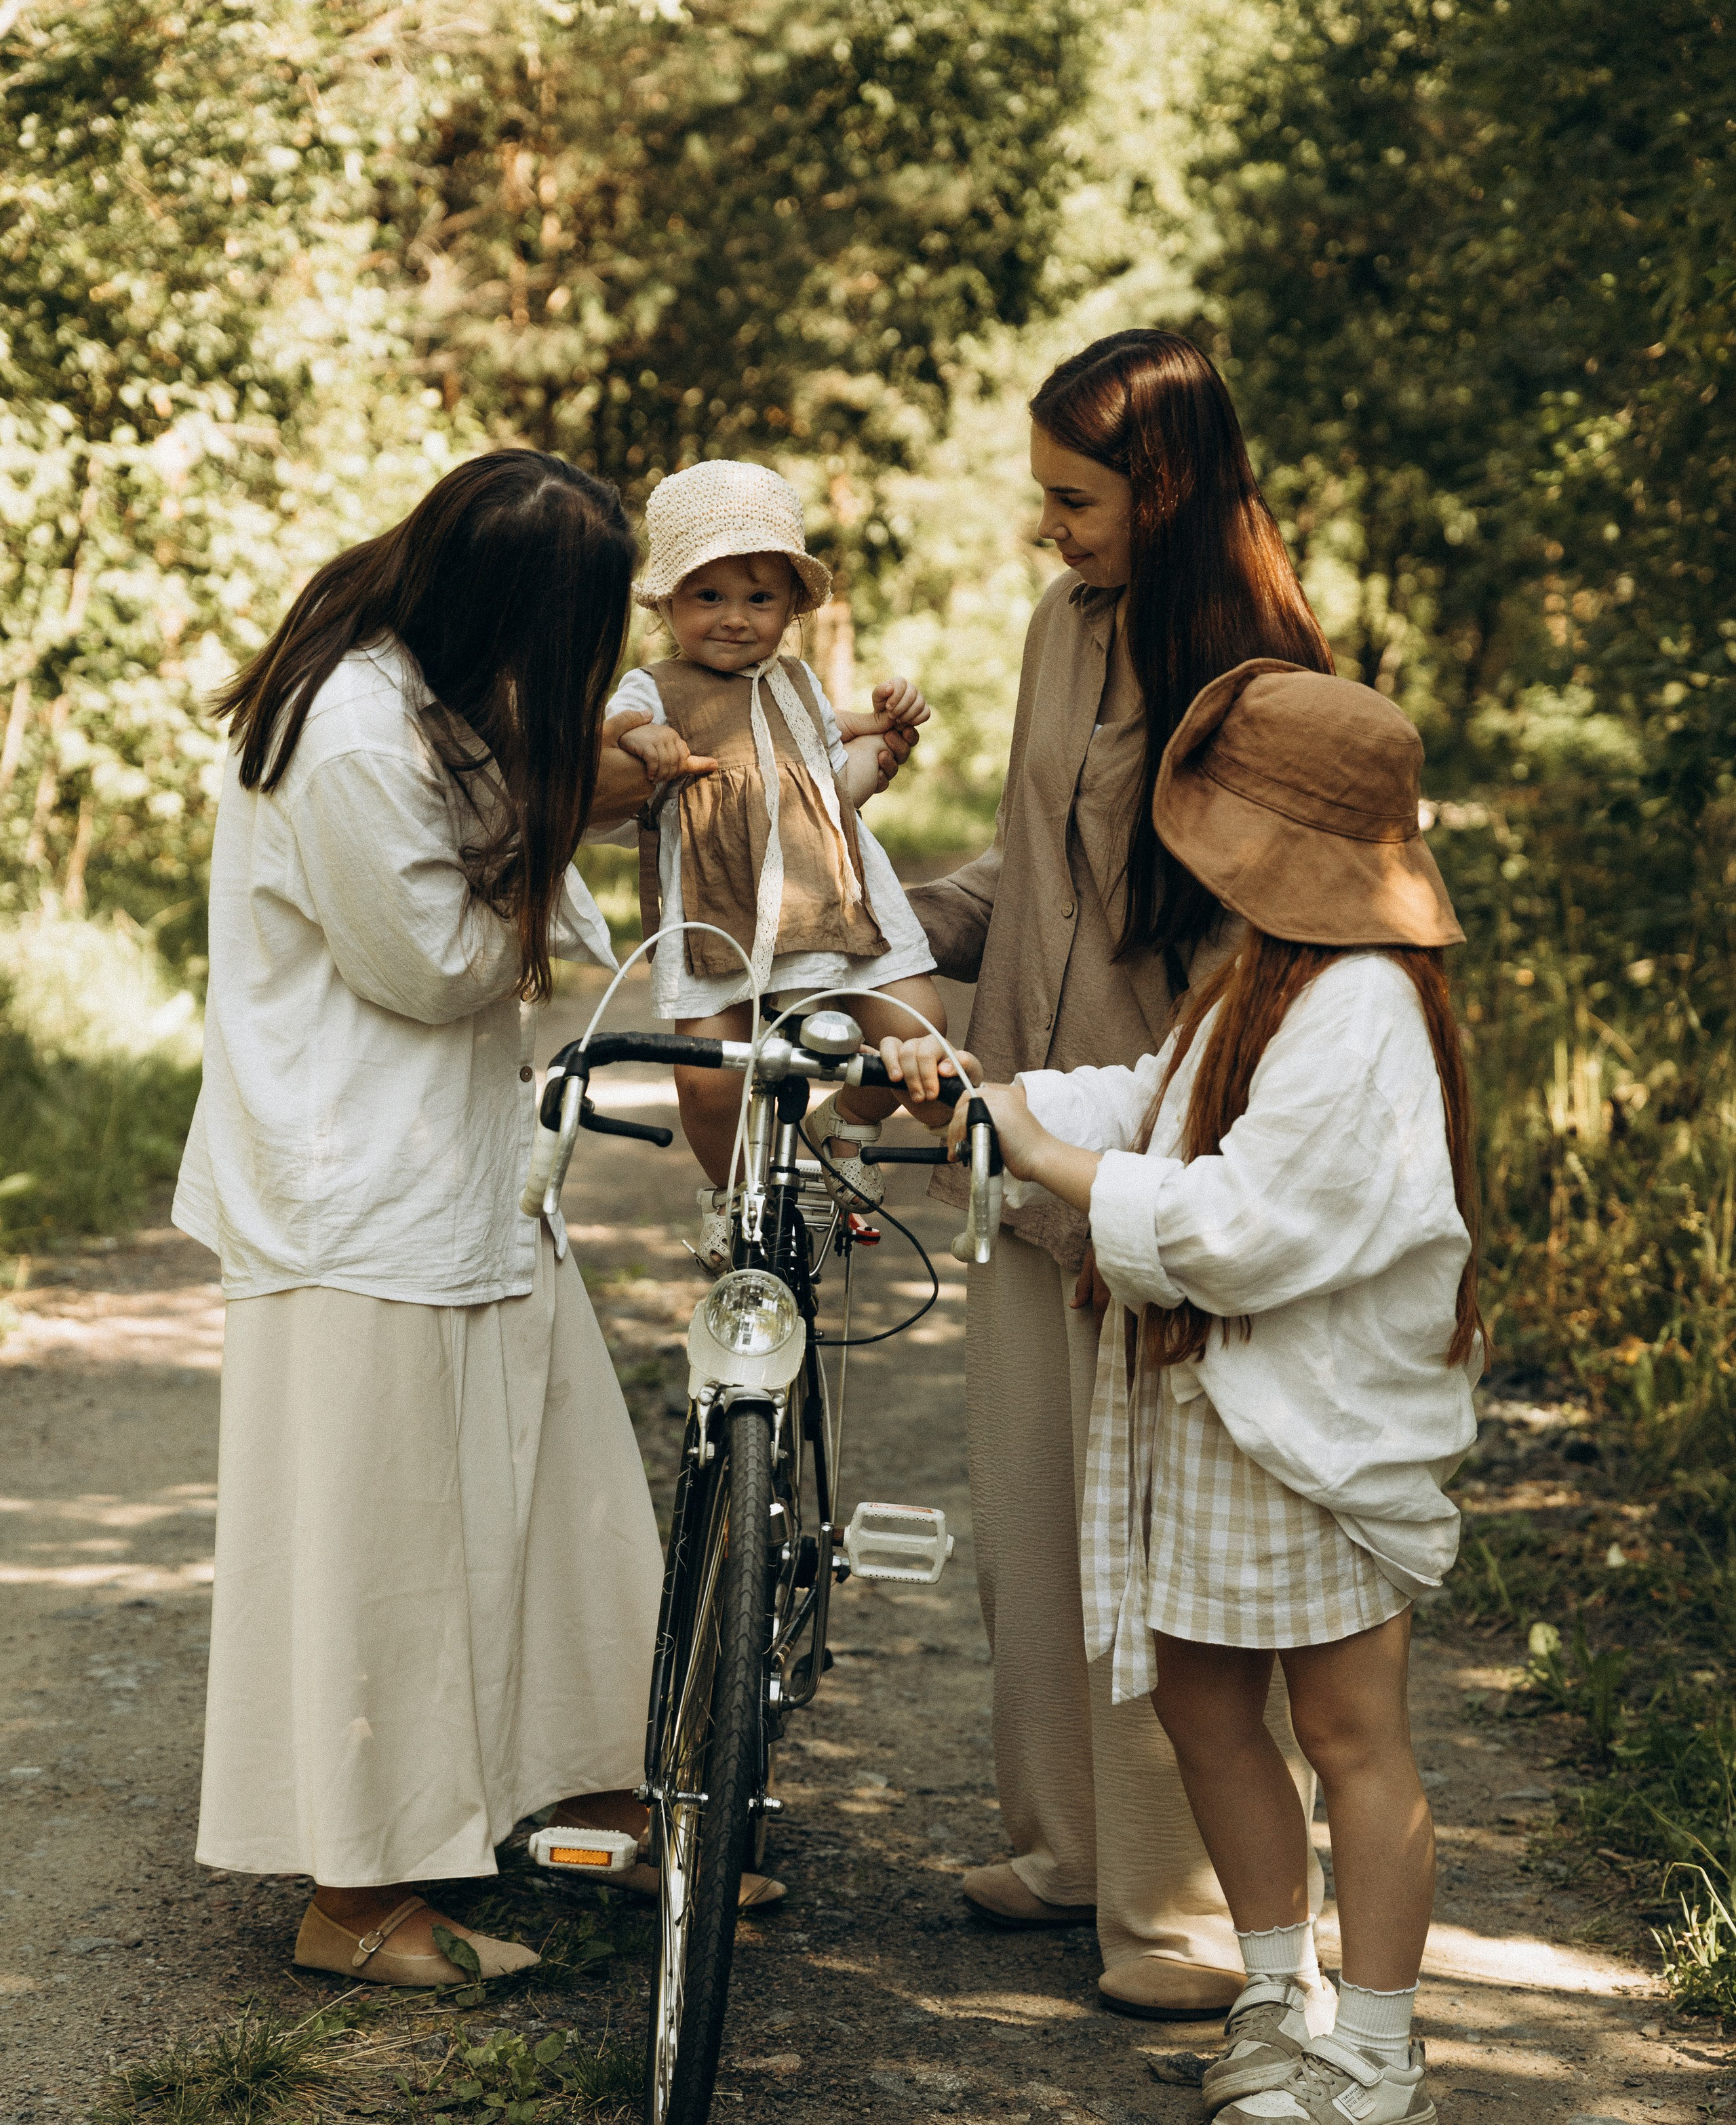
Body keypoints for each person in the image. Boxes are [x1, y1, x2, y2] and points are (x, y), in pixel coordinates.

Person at [174, 449, 751, 1991]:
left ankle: (595, 1791)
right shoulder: (354, 726)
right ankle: (357, 1894)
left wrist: (572, 781)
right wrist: (579, 799)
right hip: (356, 1183)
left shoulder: (425, 677)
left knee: (558, 1481)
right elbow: (431, 964)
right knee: (386, 1537)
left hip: (460, 1168)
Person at [930, 660, 1482, 2125]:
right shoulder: (1265, 965)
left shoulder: (1360, 1007)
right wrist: (1001, 1098)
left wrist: (1047, 1166)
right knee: (1197, 1701)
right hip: (1217, 1407)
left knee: (1351, 1728)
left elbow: (1244, 1226)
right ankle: (1271, 1990)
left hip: (1312, 1427)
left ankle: (1375, 2059)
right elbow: (1155, 1099)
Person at [905, 329, 1337, 2020]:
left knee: (1157, 1539)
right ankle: (1070, 1846)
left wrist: (1158, 1171)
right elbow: (1028, 866)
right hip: (1026, 1132)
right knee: (1028, 1512)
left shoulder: (1257, 675)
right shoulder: (1053, 629)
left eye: (1073, 501)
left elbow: (1268, 945)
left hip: (1160, 1163)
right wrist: (862, 910)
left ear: (1162, 486)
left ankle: (1175, 1907)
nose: (1047, 530)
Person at [601, 458, 944, 1208]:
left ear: (792, 606)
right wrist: (640, 741)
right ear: (664, 603)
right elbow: (609, 740)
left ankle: (846, 1127)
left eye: (760, 597)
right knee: (705, 1074)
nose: (734, 616)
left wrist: (889, 721)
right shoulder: (653, 689)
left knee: (916, 1025)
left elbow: (833, 780)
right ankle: (737, 1197)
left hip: (827, 894)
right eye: (708, 596)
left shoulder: (799, 685)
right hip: (717, 908)